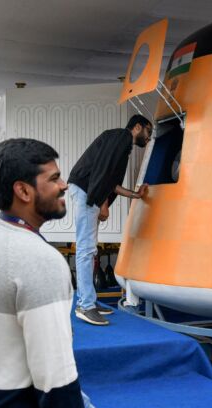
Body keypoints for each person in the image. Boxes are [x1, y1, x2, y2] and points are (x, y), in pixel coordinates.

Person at [0, 139, 109, 408]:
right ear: (24, 191)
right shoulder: (38, 259)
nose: (65, 185)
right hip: (15, 407)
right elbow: (55, 378)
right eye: (54, 178)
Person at [69, 114, 152, 326]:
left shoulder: (120, 142)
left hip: (88, 190)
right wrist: (101, 203)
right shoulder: (121, 138)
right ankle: (85, 306)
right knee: (86, 249)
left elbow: (112, 182)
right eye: (148, 131)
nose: (149, 137)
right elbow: (103, 172)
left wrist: (136, 195)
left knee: (89, 249)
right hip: (87, 191)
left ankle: (89, 301)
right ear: (137, 127)